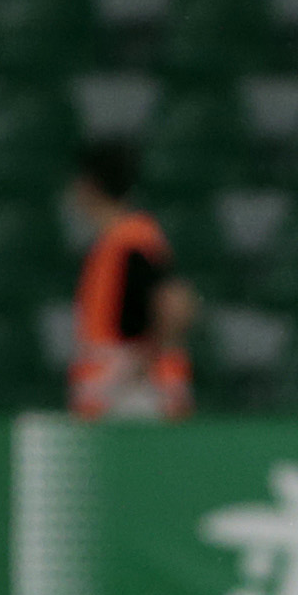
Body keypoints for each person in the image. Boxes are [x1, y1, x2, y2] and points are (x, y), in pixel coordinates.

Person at [68, 139, 197, 419]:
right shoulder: (114, 243)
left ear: (88, 186)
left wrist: (135, 367)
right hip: (118, 400)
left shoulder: (132, 242)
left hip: (137, 401)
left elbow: (176, 304)